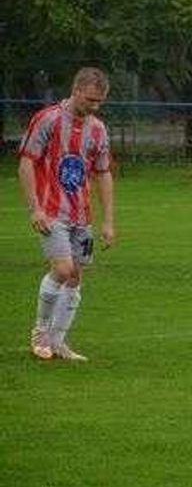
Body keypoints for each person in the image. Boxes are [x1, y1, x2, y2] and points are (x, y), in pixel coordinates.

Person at [17, 67, 116, 361]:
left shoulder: (97, 129)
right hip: (51, 212)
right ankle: (40, 333)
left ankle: (59, 342)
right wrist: (35, 208)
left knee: (75, 278)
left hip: (80, 216)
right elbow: (26, 164)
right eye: (90, 100)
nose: (94, 106)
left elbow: (103, 173)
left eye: (99, 102)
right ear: (75, 91)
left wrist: (108, 220)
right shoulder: (47, 119)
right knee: (62, 270)